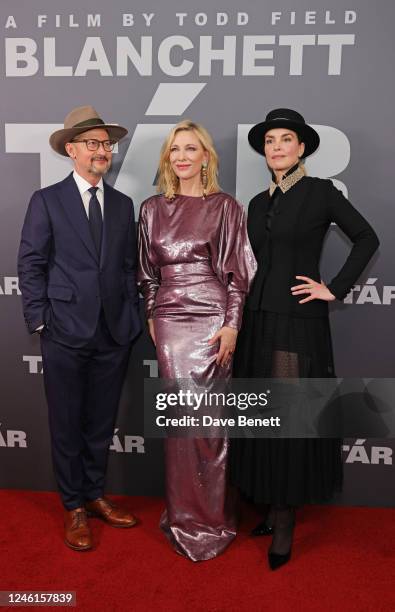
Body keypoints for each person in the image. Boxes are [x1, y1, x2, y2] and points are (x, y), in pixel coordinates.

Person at [231, 108, 379, 570]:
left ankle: (286, 516)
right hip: (257, 321)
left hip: (297, 322)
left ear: (301, 148)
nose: (276, 147)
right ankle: (271, 503)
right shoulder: (256, 203)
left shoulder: (321, 193)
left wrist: (333, 287)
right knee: (261, 416)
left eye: (285, 140)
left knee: (290, 417)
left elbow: (367, 238)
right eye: (269, 140)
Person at [18, 106, 141, 551]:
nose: (102, 150)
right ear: (71, 150)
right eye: (93, 143)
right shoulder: (46, 200)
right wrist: (40, 319)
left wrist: (131, 313)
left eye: (107, 144)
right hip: (64, 331)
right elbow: (30, 264)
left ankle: (94, 495)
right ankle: (72, 505)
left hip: (114, 333)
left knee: (100, 422)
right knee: (67, 422)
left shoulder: (125, 205)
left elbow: (128, 267)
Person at [138, 120, 257, 561]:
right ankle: (183, 512)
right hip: (169, 320)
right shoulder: (151, 208)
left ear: (206, 157)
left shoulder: (225, 206)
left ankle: (214, 516)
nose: (183, 157)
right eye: (175, 150)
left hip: (212, 318)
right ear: (168, 159)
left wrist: (232, 324)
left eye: (191, 149)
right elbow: (146, 275)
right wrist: (152, 315)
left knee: (210, 421)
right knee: (179, 421)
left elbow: (237, 276)